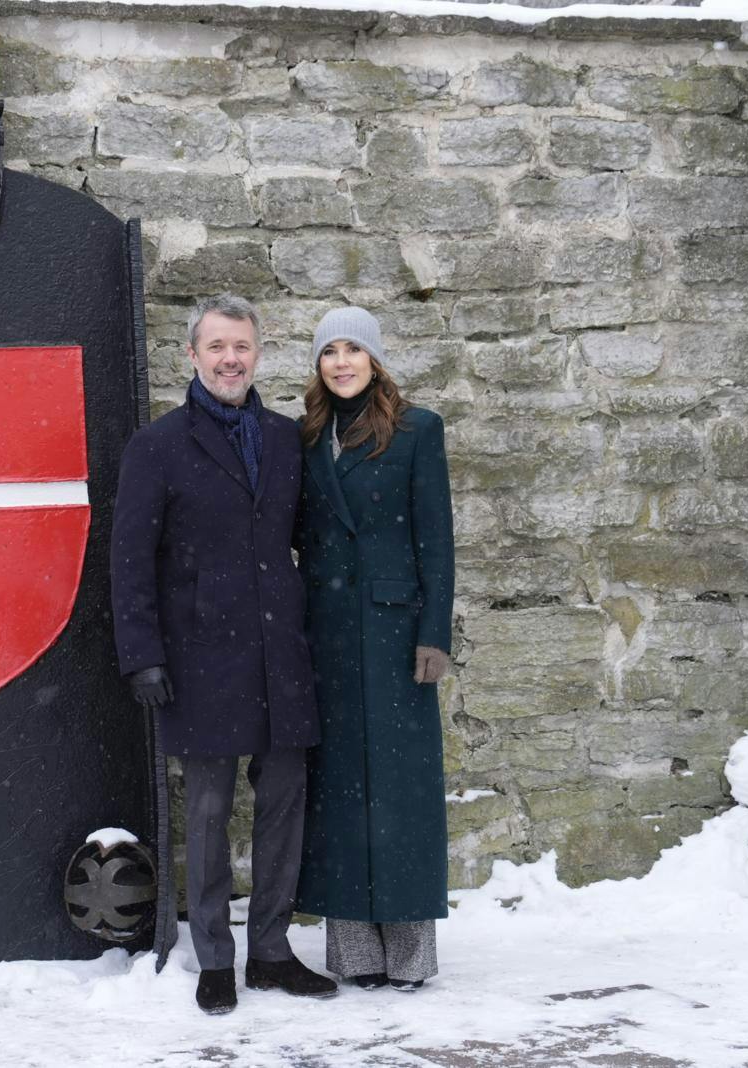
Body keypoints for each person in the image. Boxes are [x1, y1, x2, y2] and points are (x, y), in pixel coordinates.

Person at [110, 293, 338, 1015]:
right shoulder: (158, 445)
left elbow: (310, 539)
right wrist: (141, 653)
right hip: (201, 657)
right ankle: (214, 955)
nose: (230, 359)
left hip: (282, 652)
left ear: (257, 354)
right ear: (193, 356)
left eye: (241, 346)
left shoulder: (284, 438)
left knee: (283, 806)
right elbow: (128, 559)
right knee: (207, 812)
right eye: (216, 347)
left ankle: (270, 949)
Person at [293, 306, 455, 993]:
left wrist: (435, 635)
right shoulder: (306, 437)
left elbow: (436, 541)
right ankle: (356, 951)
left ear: (375, 358)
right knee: (340, 790)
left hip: (395, 634)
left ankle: (411, 955)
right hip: (328, 630)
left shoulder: (418, 430)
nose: (341, 361)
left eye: (353, 348)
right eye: (329, 351)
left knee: (401, 791)